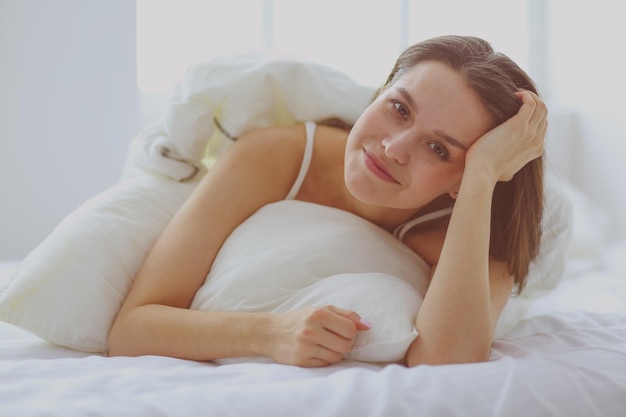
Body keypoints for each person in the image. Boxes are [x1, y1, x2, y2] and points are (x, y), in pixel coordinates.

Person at [108, 35, 547, 368]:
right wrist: (270, 333)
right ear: (378, 93)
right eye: (399, 109)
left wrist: (483, 175)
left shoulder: (477, 220)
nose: (394, 148)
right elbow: (132, 329)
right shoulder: (274, 155)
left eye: (439, 149)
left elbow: (446, 361)